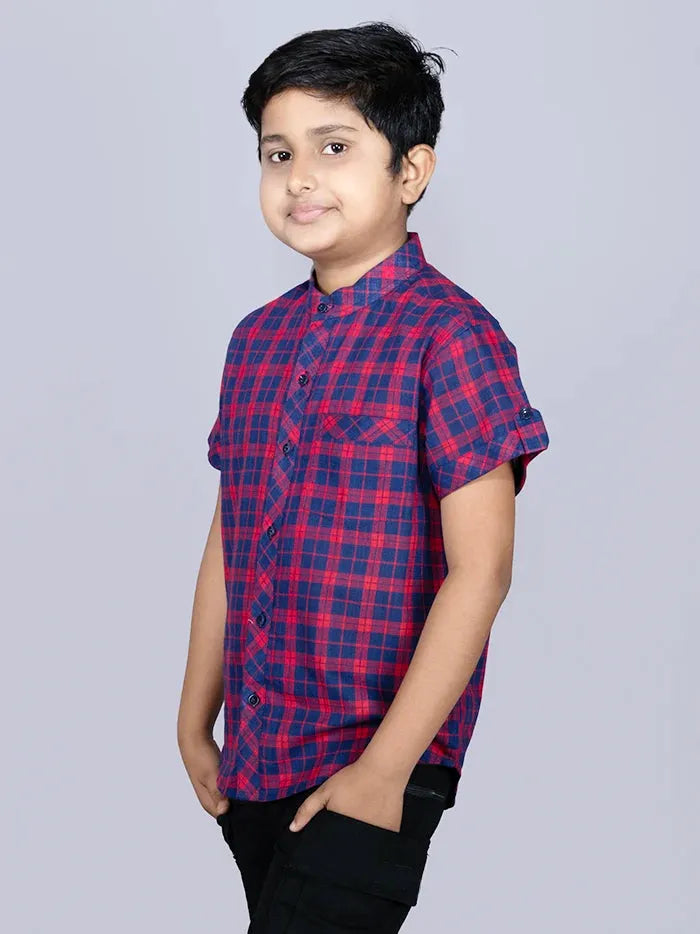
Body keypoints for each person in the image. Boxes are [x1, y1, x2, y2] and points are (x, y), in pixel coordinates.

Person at [177, 19, 550, 933]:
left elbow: (482, 571)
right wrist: (194, 716)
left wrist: (384, 771)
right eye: (278, 153)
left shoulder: (452, 337)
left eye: (334, 147)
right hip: (259, 748)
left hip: (378, 754)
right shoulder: (255, 342)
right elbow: (232, 535)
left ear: (410, 172)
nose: (300, 177)